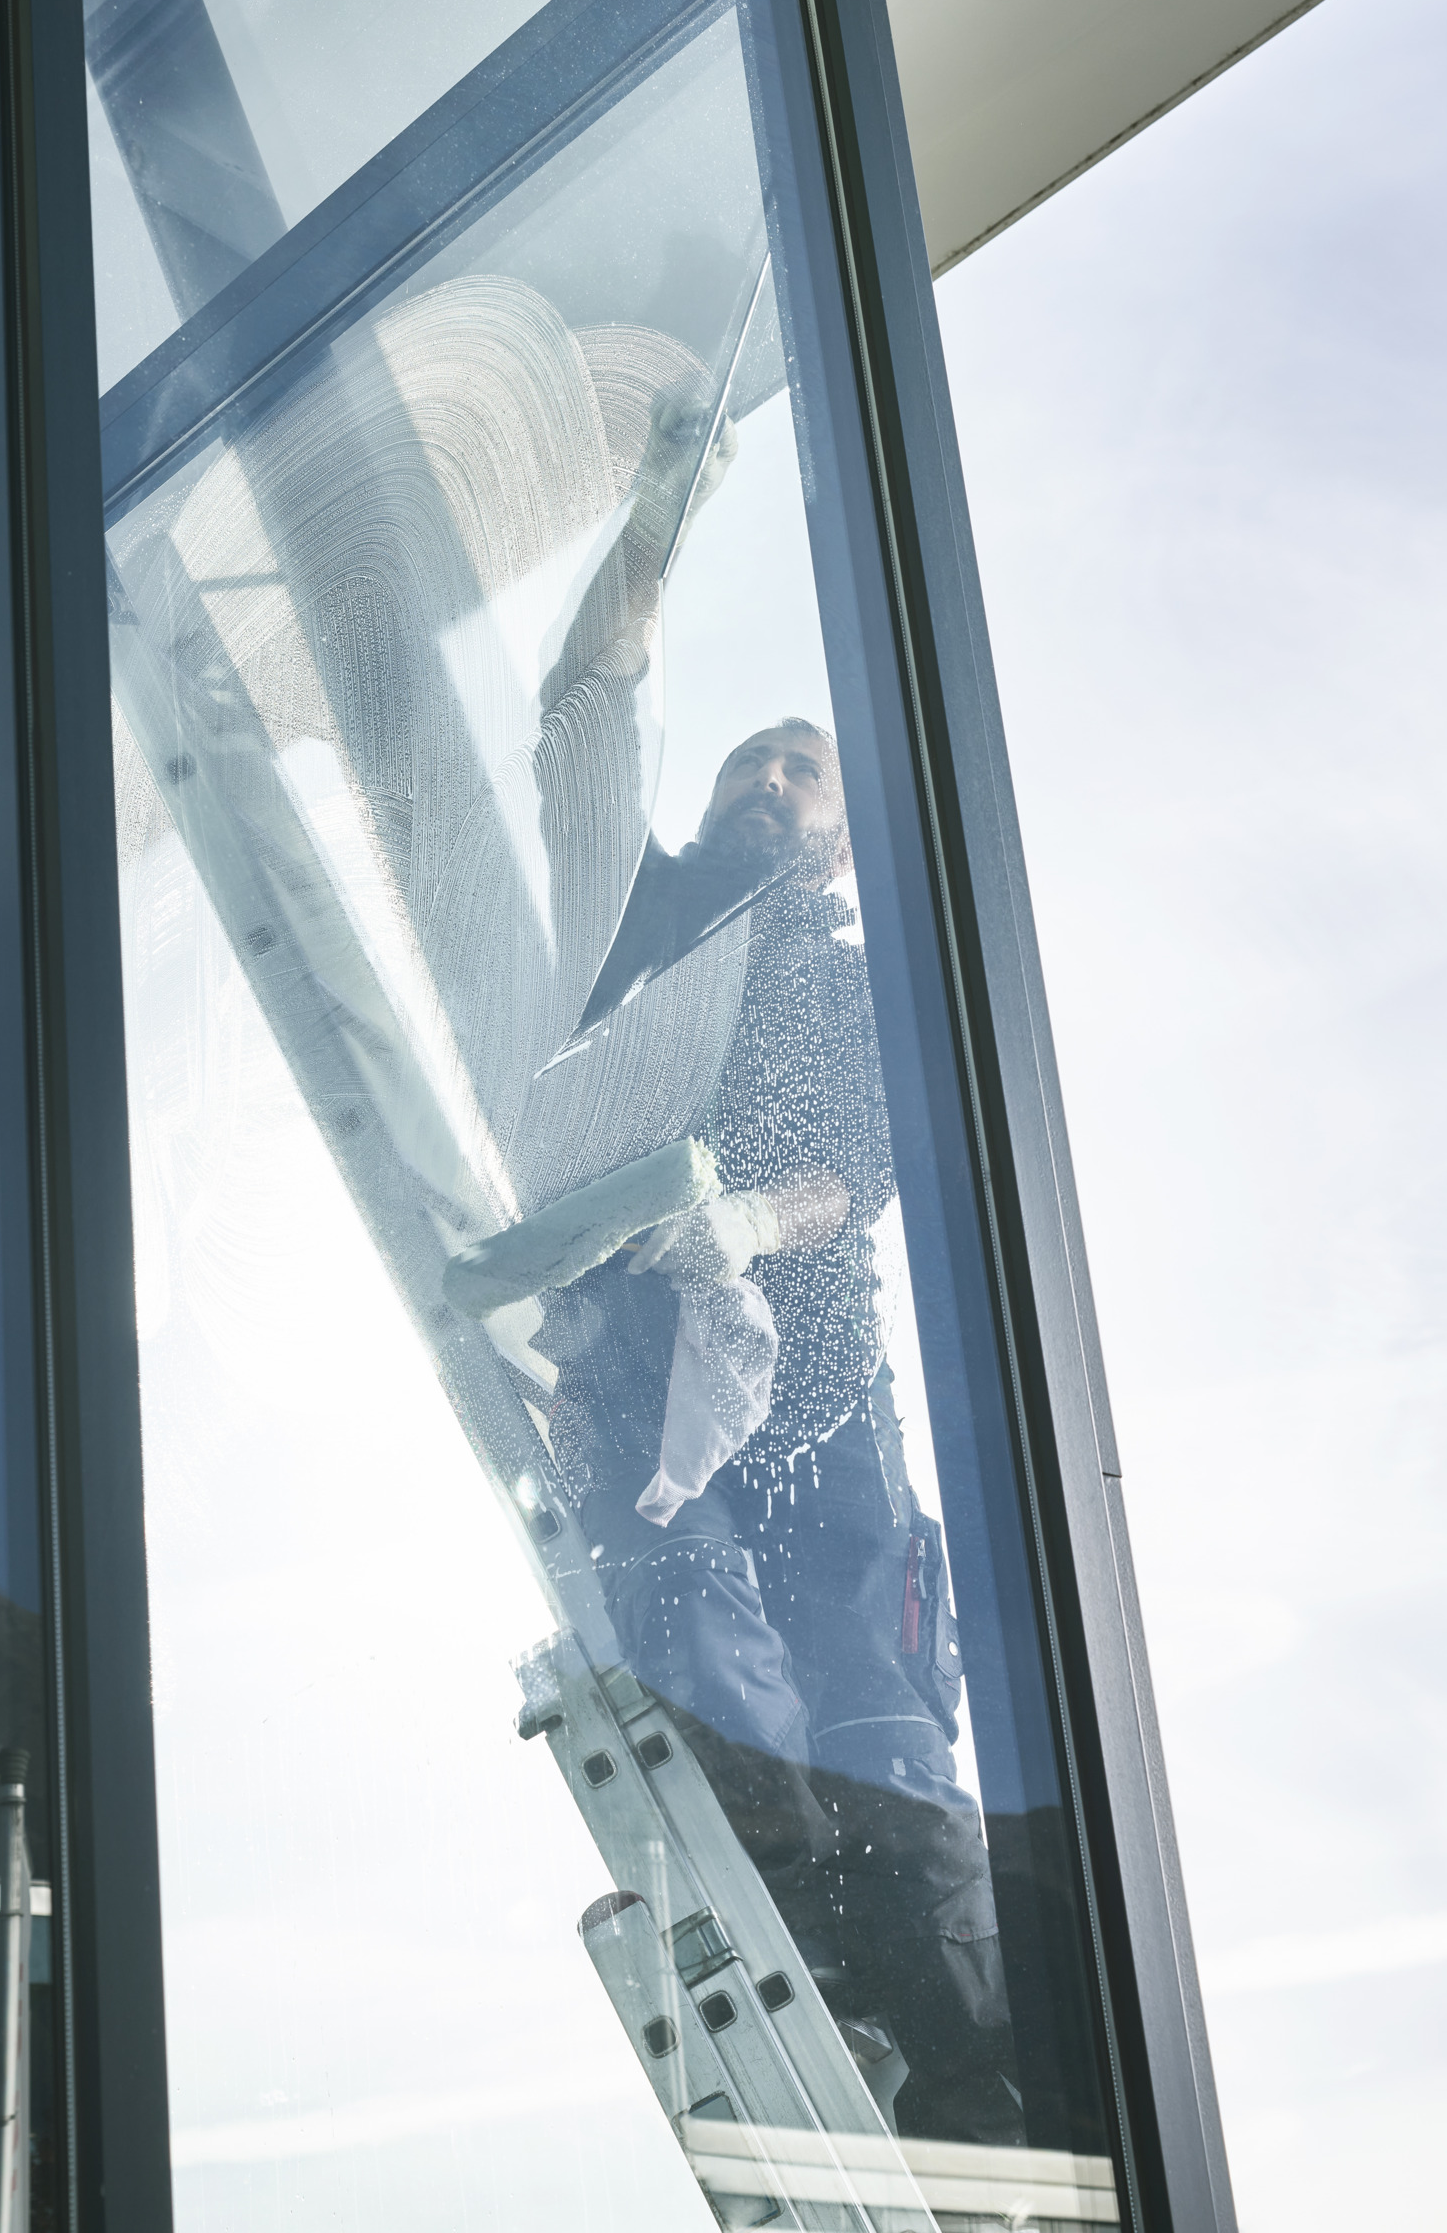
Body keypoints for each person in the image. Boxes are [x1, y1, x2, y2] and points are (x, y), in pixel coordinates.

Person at [535, 719, 1024, 2147]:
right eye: (751, 760)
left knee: (877, 1722)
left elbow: (862, 1169)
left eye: (804, 771)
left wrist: (747, 1224)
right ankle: (826, 1981)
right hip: (632, 1378)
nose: (771, 780)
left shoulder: (854, 987)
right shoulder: (634, 940)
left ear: (845, 840)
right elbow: (579, 746)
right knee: (707, 1660)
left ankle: (980, 2091)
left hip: (813, 1384)